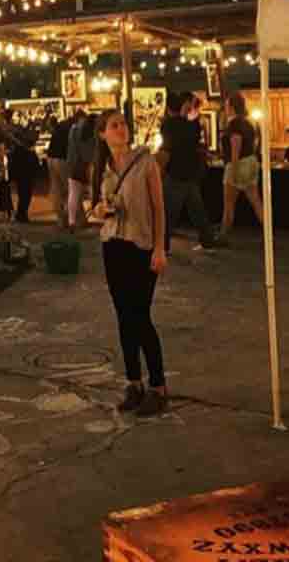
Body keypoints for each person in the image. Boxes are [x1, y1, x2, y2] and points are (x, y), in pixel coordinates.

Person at [91, 109, 168, 417]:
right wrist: (100, 210)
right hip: (113, 244)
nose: (121, 129)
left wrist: (160, 248)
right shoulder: (100, 167)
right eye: (114, 126)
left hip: (141, 245)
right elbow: (95, 207)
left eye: (123, 124)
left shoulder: (145, 163)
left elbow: (159, 208)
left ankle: (159, 387)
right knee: (123, 317)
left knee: (141, 316)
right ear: (102, 134)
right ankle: (134, 382)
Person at [161, 92, 216, 253]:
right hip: (191, 171)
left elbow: (168, 148)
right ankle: (208, 241)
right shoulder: (193, 125)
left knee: (169, 212)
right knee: (197, 209)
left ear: (169, 108)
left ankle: (163, 246)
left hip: (175, 171)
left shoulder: (168, 125)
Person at [220, 91, 263, 240]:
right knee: (256, 200)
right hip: (251, 161)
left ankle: (223, 235)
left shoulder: (234, 124)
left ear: (231, 106)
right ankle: (267, 230)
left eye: (227, 105)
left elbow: (235, 144)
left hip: (238, 163)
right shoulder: (249, 123)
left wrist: (233, 168)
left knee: (228, 204)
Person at [3, 109, 39, 223]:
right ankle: (21, 214)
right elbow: (30, 140)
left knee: (8, 189)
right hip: (23, 160)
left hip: (12, 161)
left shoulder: (3, 129)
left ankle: (12, 213)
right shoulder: (18, 128)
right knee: (25, 189)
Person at [67, 111, 96, 230]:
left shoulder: (73, 129)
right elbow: (93, 152)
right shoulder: (93, 133)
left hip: (74, 164)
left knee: (73, 193)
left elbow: (70, 147)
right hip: (88, 165)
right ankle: (98, 214)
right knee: (93, 191)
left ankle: (72, 221)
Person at [47, 114, 74, 230]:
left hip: (51, 158)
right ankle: (69, 219)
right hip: (63, 159)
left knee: (56, 189)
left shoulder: (60, 126)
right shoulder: (73, 128)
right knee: (70, 190)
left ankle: (60, 219)